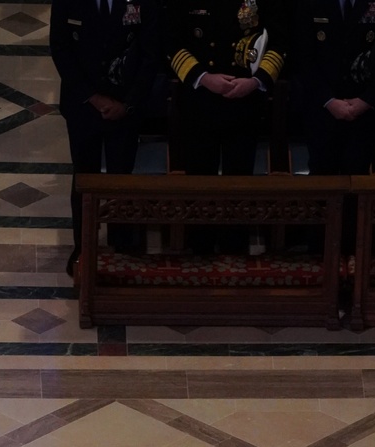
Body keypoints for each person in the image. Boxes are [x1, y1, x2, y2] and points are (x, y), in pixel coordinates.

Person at [50, 0, 160, 279]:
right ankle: (83, 247)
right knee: (83, 179)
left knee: (121, 178)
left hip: (126, 109)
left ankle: (122, 248)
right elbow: (60, 48)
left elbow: (151, 53)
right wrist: (94, 98)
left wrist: (128, 103)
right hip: (83, 106)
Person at [167, 0, 286, 175]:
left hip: (245, 101)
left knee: (240, 187)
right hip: (199, 101)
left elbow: (279, 43)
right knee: (199, 186)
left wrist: (256, 81)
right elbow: (171, 42)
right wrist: (203, 77)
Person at [292, 0, 375, 174]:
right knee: (322, 177)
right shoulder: (309, 4)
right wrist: (328, 100)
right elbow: (303, 56)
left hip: (365, 109)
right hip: (322, 108)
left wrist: (367, 99)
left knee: (359, 176)